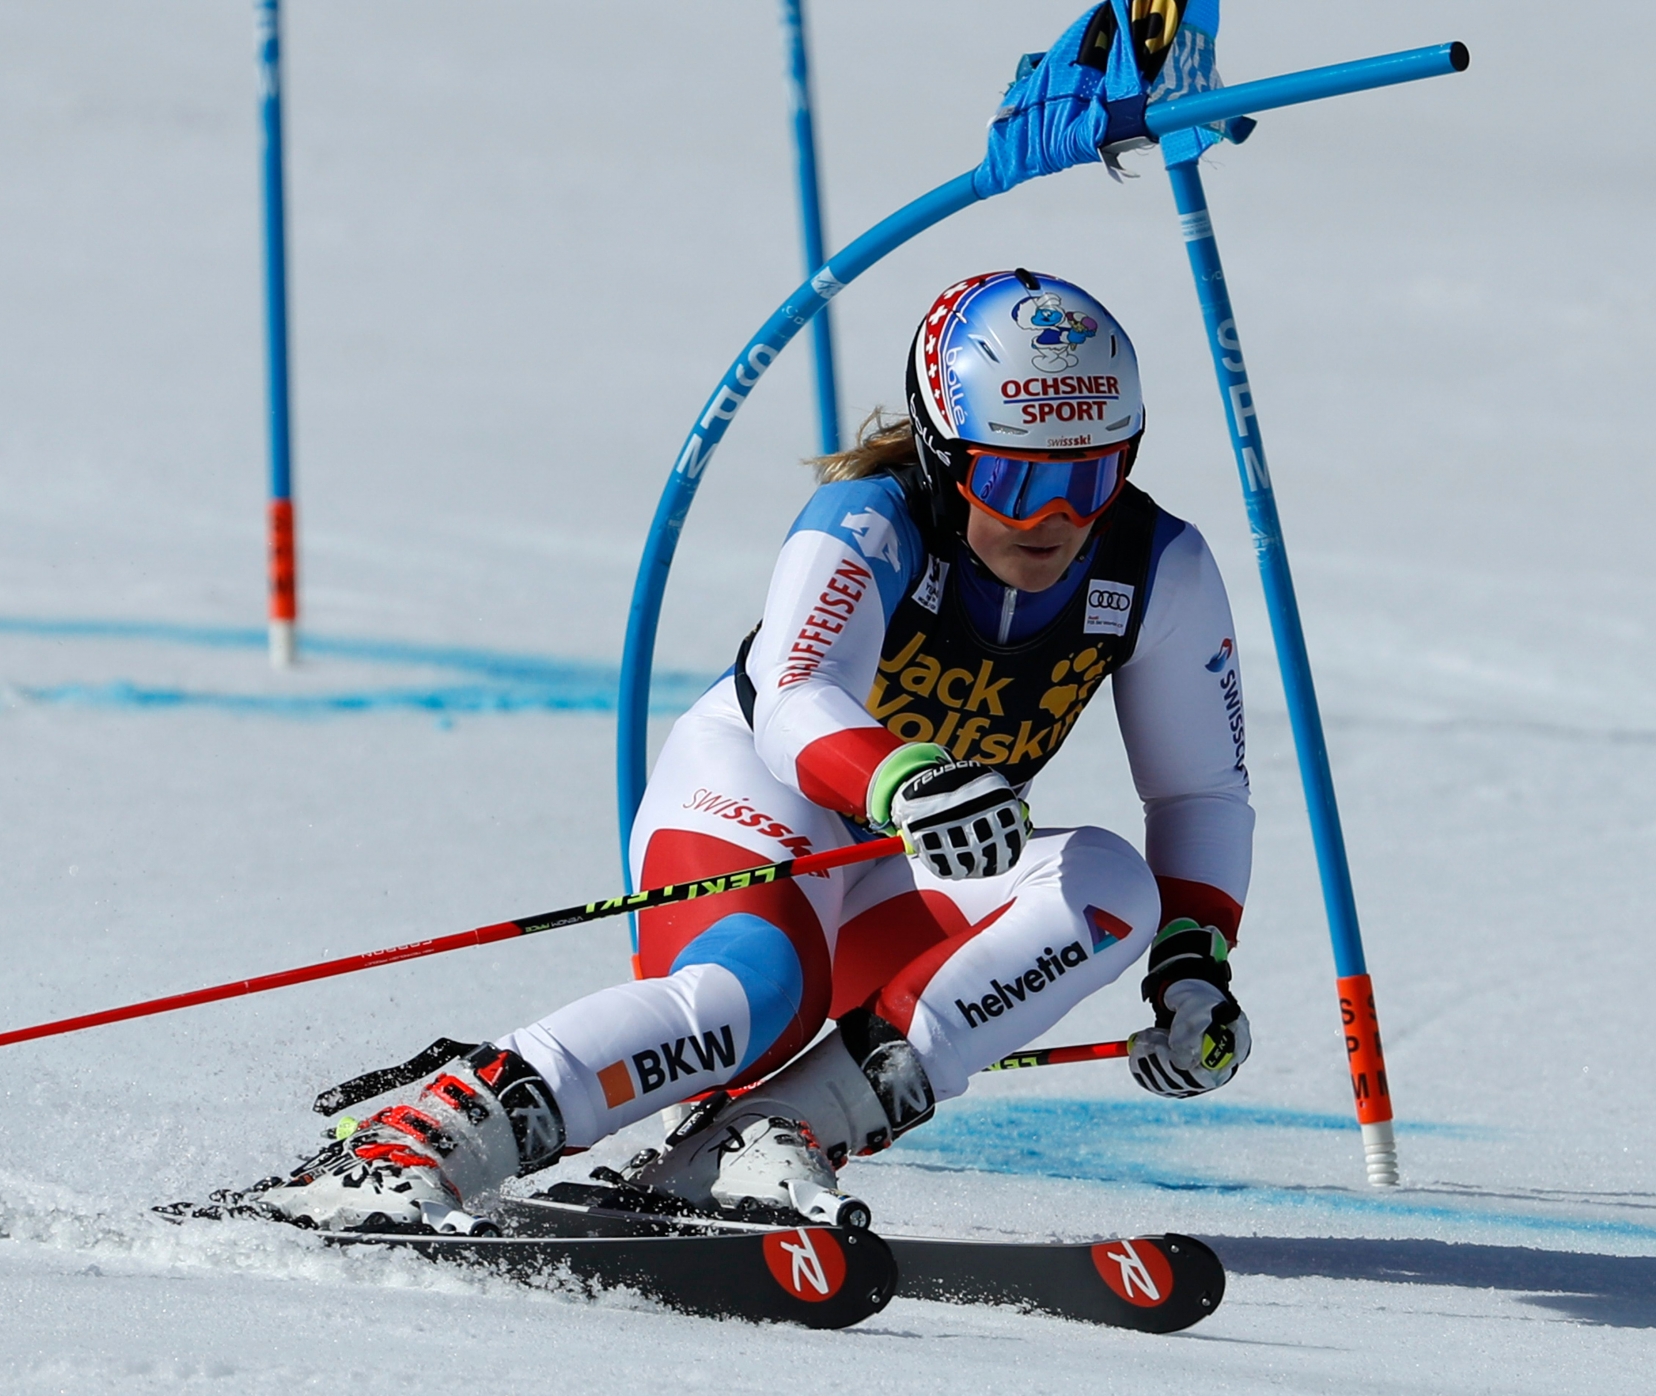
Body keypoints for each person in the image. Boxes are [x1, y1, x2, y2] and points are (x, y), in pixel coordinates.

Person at [248, 270, 1256, 1234]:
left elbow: (1200, 790)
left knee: (1112, 891)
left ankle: (767, 1137)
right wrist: (905, 779)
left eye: (1090, 476)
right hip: (760, 800)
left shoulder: (1157, 565)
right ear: (946, 454)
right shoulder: (871, 521)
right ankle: (418, 1140)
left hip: (899, 857)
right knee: (753, 999)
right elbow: (791, 696)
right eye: (1011, 479)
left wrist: (1191, 968)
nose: (1056, 521)